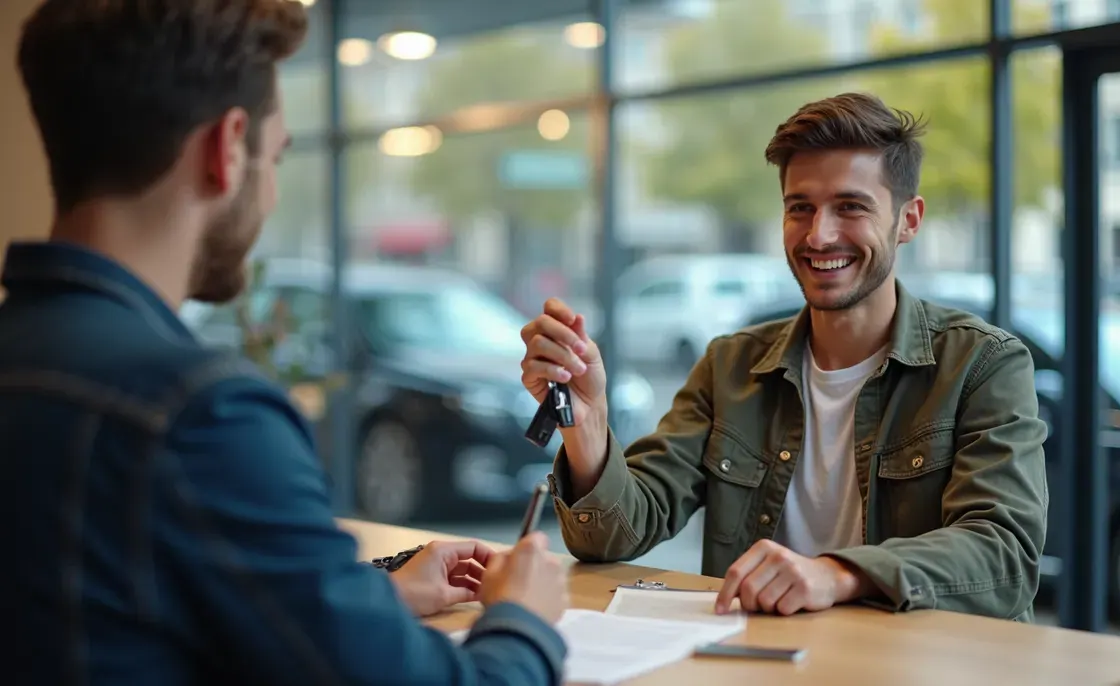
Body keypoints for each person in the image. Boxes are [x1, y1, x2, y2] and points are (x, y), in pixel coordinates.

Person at [0, 1, 568, 684]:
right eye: (274, 157)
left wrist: (370, 595)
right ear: (227, 148)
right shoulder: (200, 414)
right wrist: (524, 622)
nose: (270, 194)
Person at [521, 92, 1049, 622]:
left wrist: (837, 573)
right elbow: (613, 537)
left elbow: (1005, 554)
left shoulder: (983, 364)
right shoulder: (730, 366)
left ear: (908, 220)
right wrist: (587, 425)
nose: (819, 234)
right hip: (762, 654)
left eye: (851, 206)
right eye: (801, 208)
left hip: (918, 660)